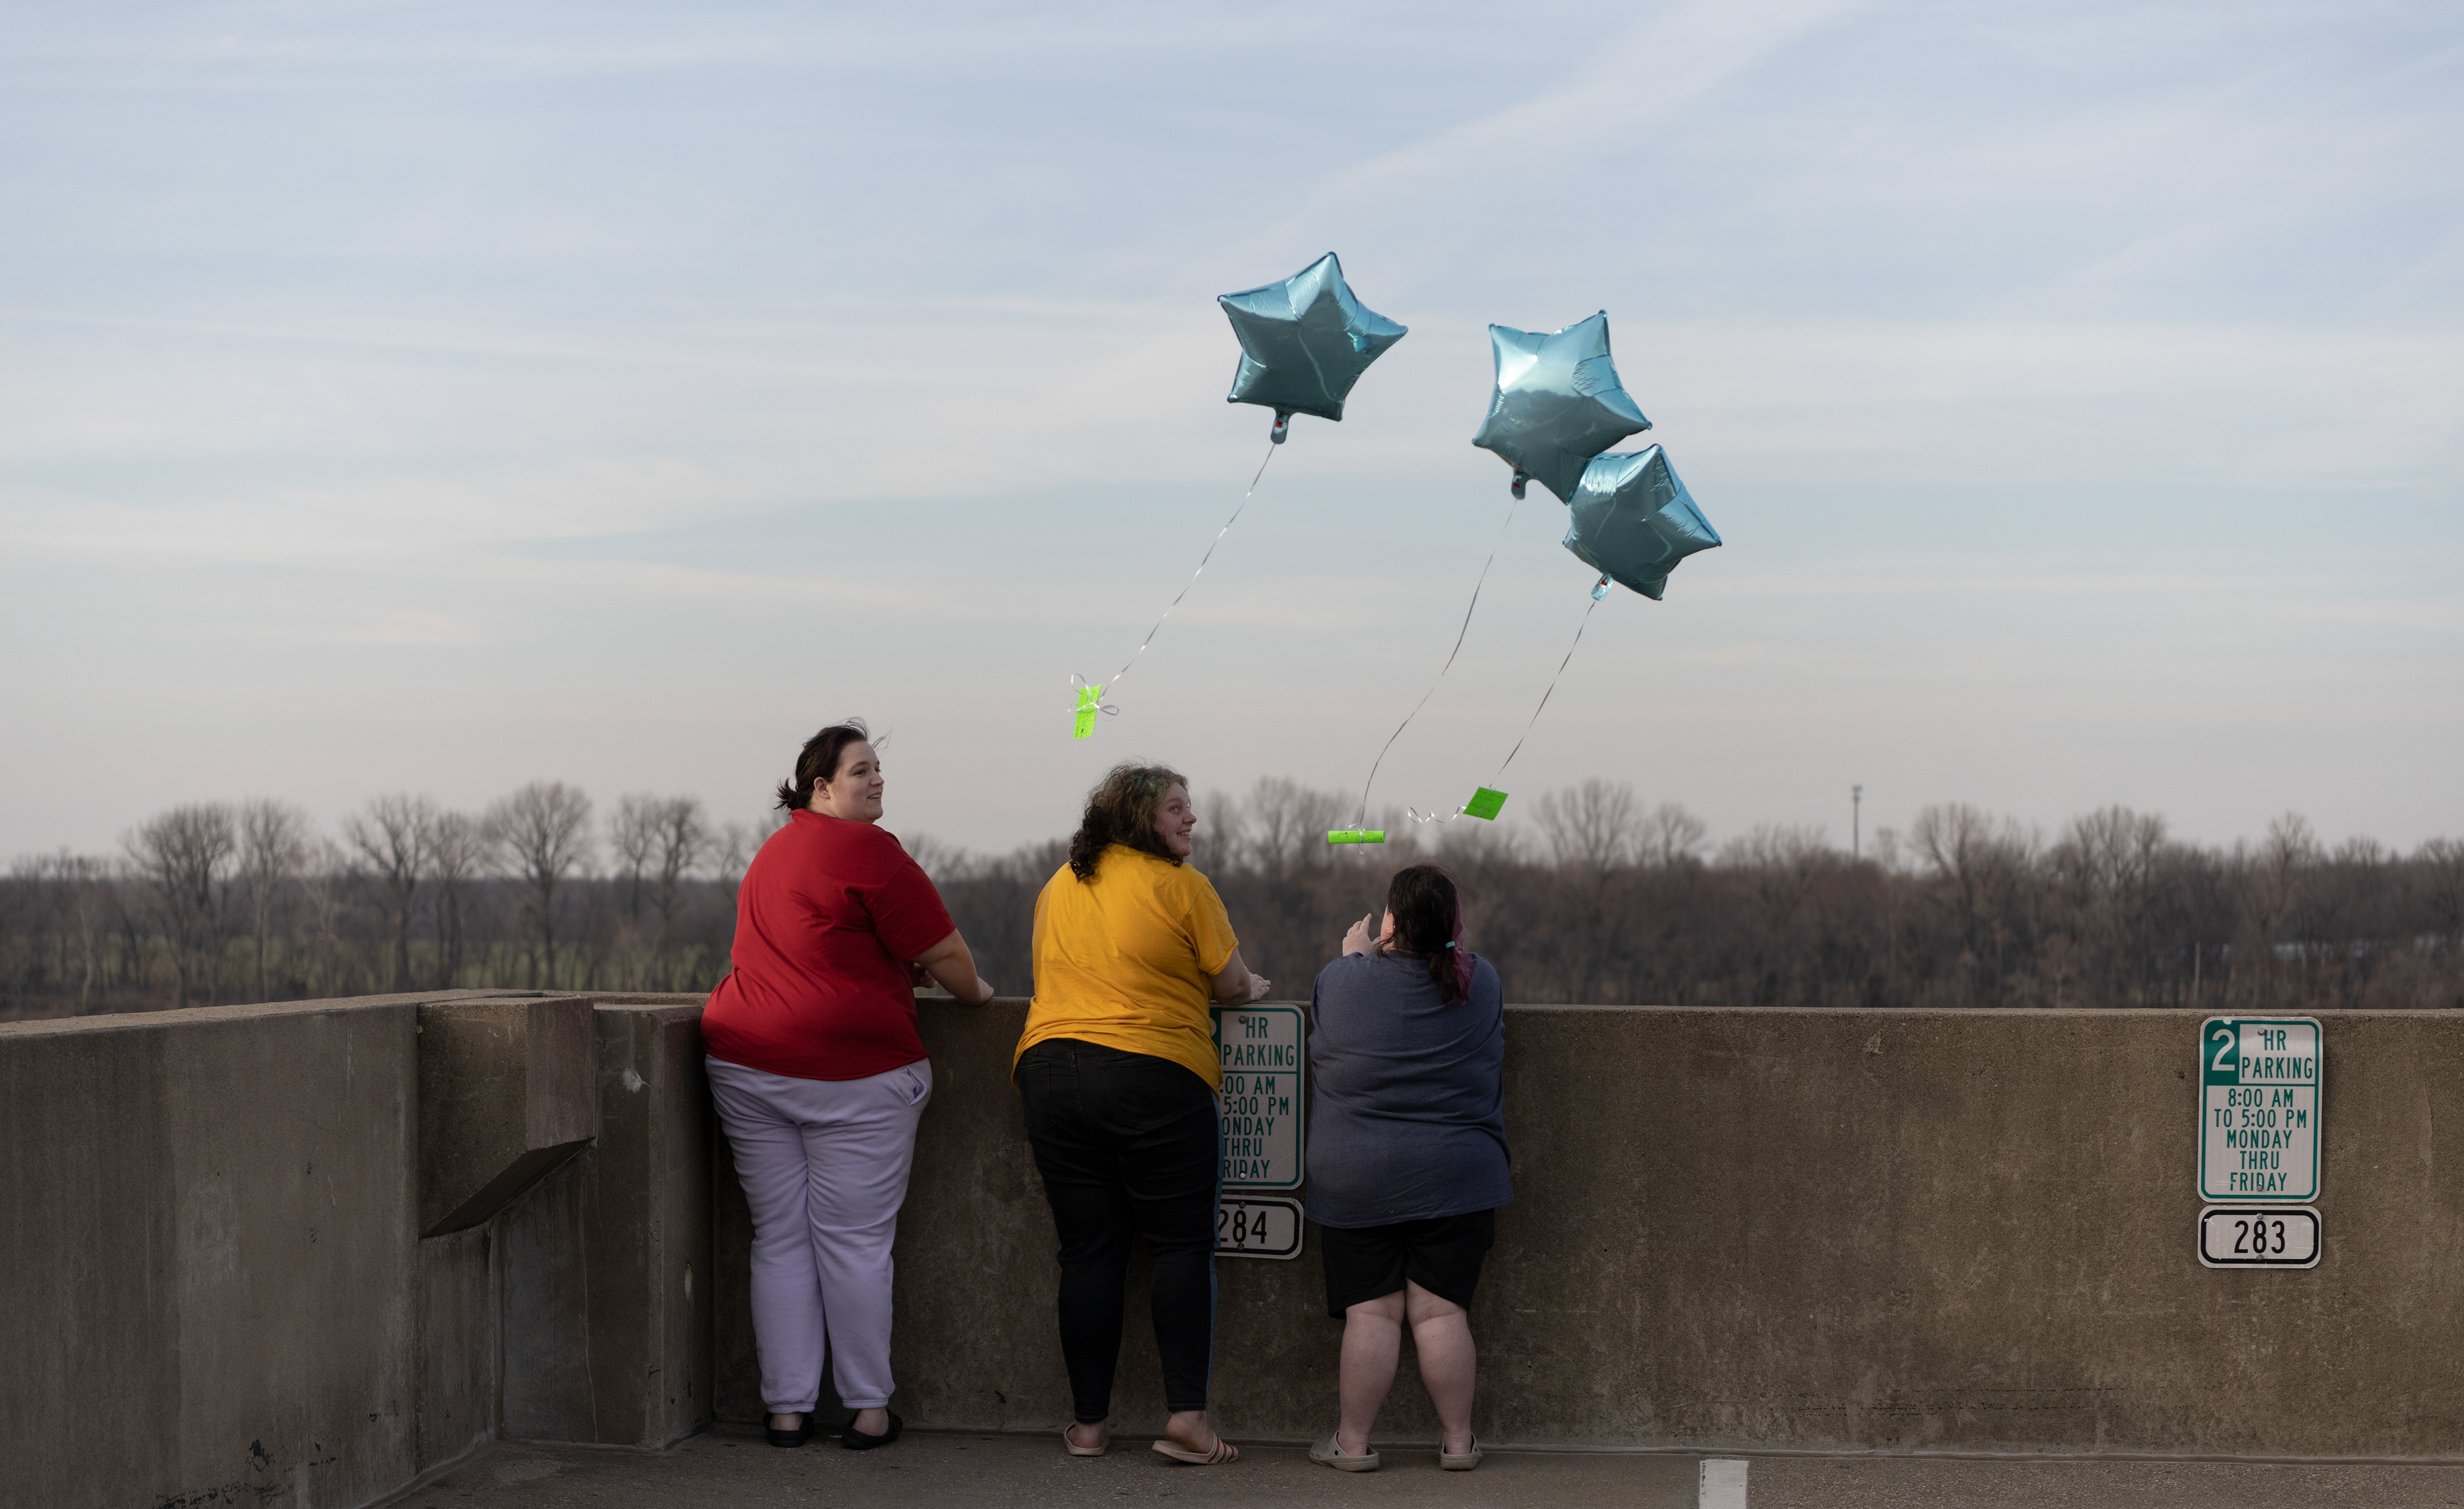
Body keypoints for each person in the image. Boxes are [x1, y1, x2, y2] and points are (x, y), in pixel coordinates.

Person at [701, 719, 998, 1452]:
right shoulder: (871, 850)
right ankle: (867, 1409)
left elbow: (819, 944)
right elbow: (949, 952)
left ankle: (787, 1410)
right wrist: (977, 993)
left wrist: (897, 966)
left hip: (744, 1063)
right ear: (821, 785)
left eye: (877, 769)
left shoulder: (772, 853)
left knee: (780, 1237)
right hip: (851, 1077)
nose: (876, 779)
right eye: (861, 769)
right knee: (855, 1241)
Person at [1012, 762, 1270, 1466]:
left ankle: (1090, 1427)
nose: (1191, 820)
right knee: (1180, 1246)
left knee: (1090, 1254)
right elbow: (1232, 981)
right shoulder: (1184, 886)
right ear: (1139, 818)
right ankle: (1187, 1417)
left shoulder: (1059, 885)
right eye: (1177, 809)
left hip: (1049, 1071)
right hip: (1152, 1069)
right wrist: (1252, 987)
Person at [1303, 863, 1509, 1474]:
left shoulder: (1339, 980)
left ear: (1391, 921)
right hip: (1456, 1176)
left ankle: (1354, 1443)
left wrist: (1357, 956)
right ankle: (1457, 1443)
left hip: (1355, 1176)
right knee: (1442, 1312)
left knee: (1372, 1311)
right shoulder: (1484, 983)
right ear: (1453, 924)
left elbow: (1344, 1011)